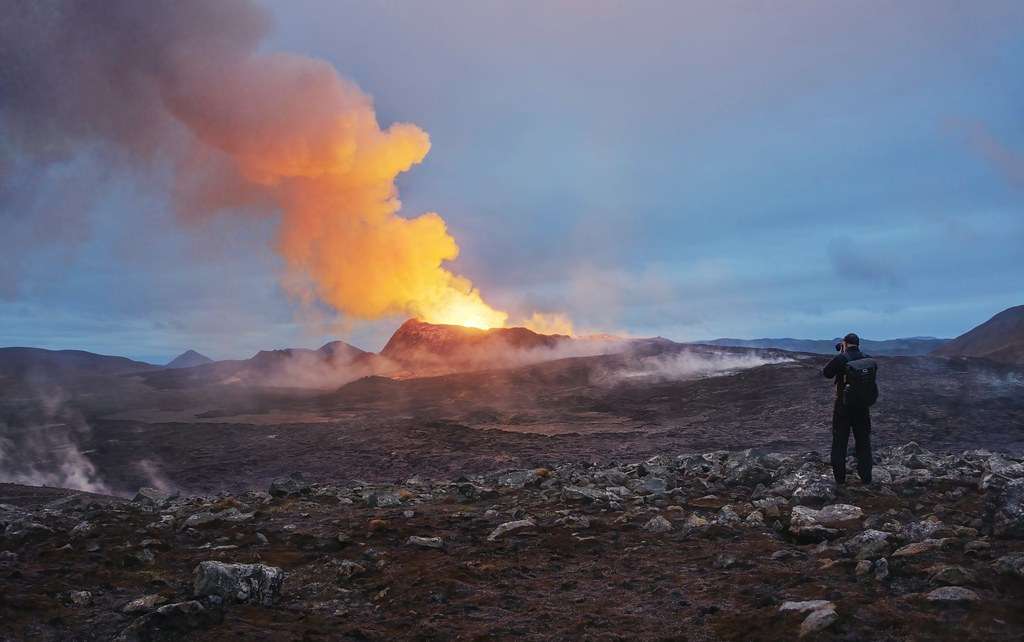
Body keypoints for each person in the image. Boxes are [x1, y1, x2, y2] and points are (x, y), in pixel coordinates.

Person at [822, 332, 876, 485]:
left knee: (840, 443)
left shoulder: (841, 358)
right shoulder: (868, 359)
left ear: (845, 343)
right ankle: (866, 479)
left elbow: (827, 373)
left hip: (843, 408)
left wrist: (841, 355)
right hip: (863, 407)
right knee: (863, 442)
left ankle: (840, 480)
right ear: (858, 344)